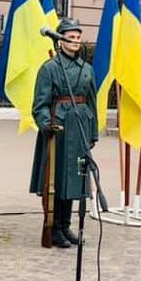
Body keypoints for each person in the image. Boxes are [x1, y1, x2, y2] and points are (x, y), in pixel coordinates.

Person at [30, 18, 99, 248]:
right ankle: (54, 227)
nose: (75, 41)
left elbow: (92, 102)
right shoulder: (49, 68)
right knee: (57, 178)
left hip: (79, 126)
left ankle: (66, 225)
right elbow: (40, 103)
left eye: (79, 37)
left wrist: (92, 132)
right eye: (71, 36)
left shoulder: (87, 70)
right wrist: (45, 124)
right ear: (60, 40)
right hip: (58, 129)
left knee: (74, 178)